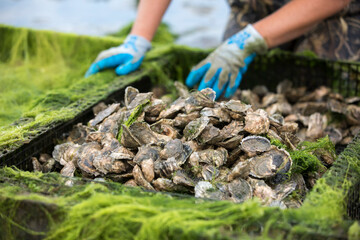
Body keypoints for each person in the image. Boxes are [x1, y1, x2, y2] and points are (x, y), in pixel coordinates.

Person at [85, 0, 358, 99]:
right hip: (255, 3)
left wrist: (249, 40)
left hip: (337, 13)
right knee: (234, 90)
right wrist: (139, 38)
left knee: (327, 88)